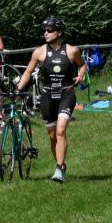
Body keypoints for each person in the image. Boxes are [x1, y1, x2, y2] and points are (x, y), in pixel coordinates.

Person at [17, 17, 87, 183]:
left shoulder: (72, 50)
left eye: (50, 30)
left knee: (61, 130)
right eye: (45, 30)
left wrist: (81, 75)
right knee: (52, 135)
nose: (46, 33)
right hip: (47, 95)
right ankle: (61, 164)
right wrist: (19, 89)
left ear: (59, 32)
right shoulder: (39, 52)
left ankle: (59, 168)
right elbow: (28, 71)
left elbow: (82, 65)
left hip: (66, 94)